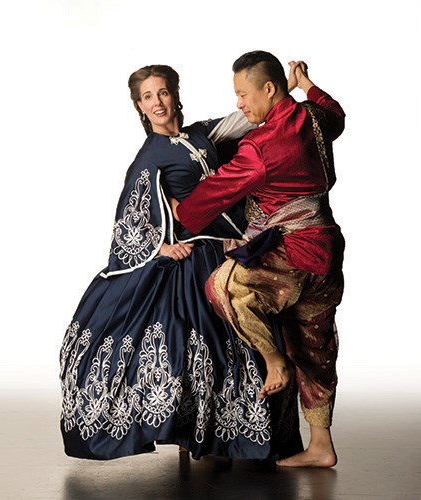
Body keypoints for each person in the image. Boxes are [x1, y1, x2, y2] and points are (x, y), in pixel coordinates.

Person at [59, 64, 303, 461]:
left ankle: (232, 436)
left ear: (175, 94)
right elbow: (130, 215)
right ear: (139, 106)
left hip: (227, 245)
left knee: (249, 325)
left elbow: (241, 120)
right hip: (193, 254)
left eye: (163, 92)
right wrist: (159, 247)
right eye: (149, 97)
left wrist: (286, 84)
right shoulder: (149, 157)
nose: (158, 102)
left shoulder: (201, 135)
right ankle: (197, 434)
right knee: (188, 335)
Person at [171, 51, 346, 468]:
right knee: (314, 344)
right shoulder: (313, 119)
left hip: (293, 253)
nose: (239, 105)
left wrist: (181, 209)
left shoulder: (262, 146)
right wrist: (306, 84)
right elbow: (335, 113)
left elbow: (209, 199)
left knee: (224, 287)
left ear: (269, 88)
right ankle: (321, 446)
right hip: (327, 251)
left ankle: (272, 362)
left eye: (243, 94)